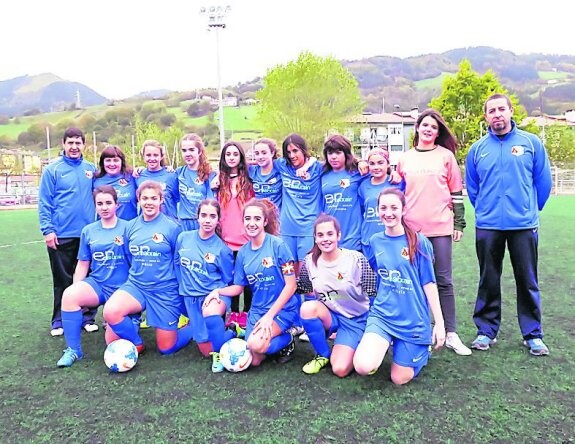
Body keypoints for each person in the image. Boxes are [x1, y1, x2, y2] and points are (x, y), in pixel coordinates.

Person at [466, 93, 552, 356]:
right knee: (488, 279)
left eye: (501, 109)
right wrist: (485, 209)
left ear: (511, 110)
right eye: (491, 111)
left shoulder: (531, 143)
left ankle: (532, 334)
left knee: (527, 279)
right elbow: (472, 187)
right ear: (486, 117)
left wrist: (529, 209)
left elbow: (543, 182)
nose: (497, 115)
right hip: (489, 225)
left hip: (523, 225)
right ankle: (486, 331)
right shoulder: (477, 149)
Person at [395, 109, 471, 356]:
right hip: (411, 230)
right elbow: (397, 190)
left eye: (434, 127)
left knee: (443, 280)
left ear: (438, 132)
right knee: (415, 281)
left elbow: (456, 193)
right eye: (425, 125)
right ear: (417, 128)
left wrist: (458, 224)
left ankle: (450, 333)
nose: (428, 129)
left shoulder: (446, 157)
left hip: (440, 228)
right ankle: (420, 330)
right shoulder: (405, 158)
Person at [353, 188, 446, 385]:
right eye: (383, 208)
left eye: (394, 207)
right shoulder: (375, 241)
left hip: (412, 319)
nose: (388, 213)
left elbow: (429, 284)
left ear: (403, 210)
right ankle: (386, 340)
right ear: (377, 211)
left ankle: (420, 348)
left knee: (399, 378)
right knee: (362, 366)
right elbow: (370, 276)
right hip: (383, 315)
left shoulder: (419, 242)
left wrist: (439, 323)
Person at [204, 198, 298, 367]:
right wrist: (218, 291)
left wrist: (270, 317)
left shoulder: (279, 246)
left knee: (256, 344)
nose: (251, 223)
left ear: (265, 221)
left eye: (257, 219)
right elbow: (239, 288)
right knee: (253, 360)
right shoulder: (243, 253)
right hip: (258, 310)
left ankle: (287, 339)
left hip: (282, 310)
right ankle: (268, 342)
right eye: (248, 219)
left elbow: (291, 285)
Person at [103, 180, 194, 355]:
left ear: (161, 200)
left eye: (154, 198)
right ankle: (137, 343)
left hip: (164, 290)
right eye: (145, 198)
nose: (149, 202)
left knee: (167, 348)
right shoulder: (130, 227)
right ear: (138, 200)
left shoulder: (173, 227)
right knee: (111, 312)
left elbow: (179, 261)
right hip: (137, 286)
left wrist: (181, 289)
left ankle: (192, 327)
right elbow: (129, 255)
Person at [56, 186, 131, 367]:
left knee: (113, 343)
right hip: (97, 284)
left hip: (123, 289)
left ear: (116, 204)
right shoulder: (88, 231)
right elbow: (83, 263)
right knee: (69, 295)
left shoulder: (128, 228)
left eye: (108, 203)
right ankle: (74, 350)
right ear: (95, 206)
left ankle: (131, 319)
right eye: (100, 204)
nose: (104, 207)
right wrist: (76, 286)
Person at [296, 214, 376, 376]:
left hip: (357, 319)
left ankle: (361, 342)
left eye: (330, 234)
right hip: (332, 315)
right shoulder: (309, 261)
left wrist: (374, 328)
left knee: (340, 369)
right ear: (315, 238)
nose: (325, 239)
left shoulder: (356, 259)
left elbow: (373, 292)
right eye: (320, 235)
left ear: (339, 235)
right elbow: (304, 289)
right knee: (307, 308)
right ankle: (322, 355)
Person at [39, 127, 98, 336]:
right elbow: (45, 203)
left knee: (88, 278)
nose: (74, 147)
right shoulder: (52, 170)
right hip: (62, 235)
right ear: (63, 144)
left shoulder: (91, 169)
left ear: (84, 145)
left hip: (88, 236)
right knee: (62, 280)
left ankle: (87, 317)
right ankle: (59, 320)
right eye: (70, 142)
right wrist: (48, 230)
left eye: (78, 143)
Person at [174, 199, 239, 368]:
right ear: (197, 218)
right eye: (204, 215)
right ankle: (227, 330)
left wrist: (217, 295)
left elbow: (226, 280)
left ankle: (228, 337)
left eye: (212, 216)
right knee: (204, 349)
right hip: (189, 297)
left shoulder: (222, 249)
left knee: (212, 350)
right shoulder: (183, 238)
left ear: (218, 219)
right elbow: (177, 264)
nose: (207, 220)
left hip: (212, 297)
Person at [215, 141, 255, 328]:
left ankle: (246, 313)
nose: (231, 157)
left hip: (245, 239)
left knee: (246, 280)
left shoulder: (249, 178)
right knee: (229, 279)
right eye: (228, 154)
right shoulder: (218, 181)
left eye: (235, 154)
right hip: (225, 239)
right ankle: (231, 314)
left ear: (240, 157)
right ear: (223, 158)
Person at [321, 134, 367, 251]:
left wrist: (393, 173)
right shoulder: (322, 174)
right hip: (329, 239)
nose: (334, 157)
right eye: (330, 153)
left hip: (352, 239)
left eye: (338, 152)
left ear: (346, 153)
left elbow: (379, 172)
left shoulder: (357, 172)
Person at [358, 147, 405, 258]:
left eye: (380, 163)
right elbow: (361, 210)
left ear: (388, 164)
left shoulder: (396, 183)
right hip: (368, 238)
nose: (376, 167)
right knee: (370, 274)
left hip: (391, 237)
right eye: (372, 164)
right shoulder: (363, 185)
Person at [175, 134, 215, 231]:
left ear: (200, 151)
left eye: (191, 150)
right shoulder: (178, 172)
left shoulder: (210, 174)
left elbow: (211, 202)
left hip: (202, 223)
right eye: (184, 150)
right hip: (183, 223)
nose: (187, 154)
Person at [135, 139, 178, 220]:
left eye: (155, 155)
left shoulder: (171, 175)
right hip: (146, 224)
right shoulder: (138, 176)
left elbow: (177, 199)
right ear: (143, 156)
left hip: (168, 223)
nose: (152, 158)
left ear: (161, 156)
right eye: (148, 155)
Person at [93, 145, 138, 220]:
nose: (112, 164)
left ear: (122, 162)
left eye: (116, 160)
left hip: (130, 228)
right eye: (108, 160)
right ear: (102, 162)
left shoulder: (133, 176)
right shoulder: (95, 180)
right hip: (105, 229)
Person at [248, 138, 283, 211]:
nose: (260, 157)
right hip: (259, 217)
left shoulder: (280, 168)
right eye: (257, 153)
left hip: (277, 218)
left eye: (264, 153)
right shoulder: (252, 170)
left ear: (272, 153)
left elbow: (310, 160)